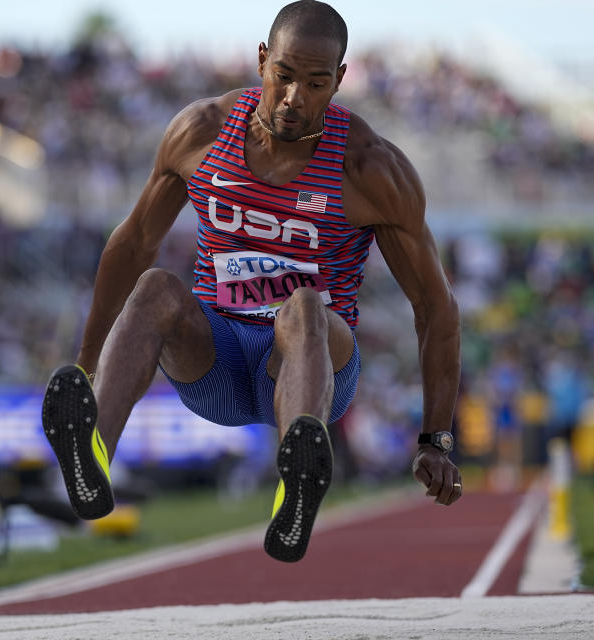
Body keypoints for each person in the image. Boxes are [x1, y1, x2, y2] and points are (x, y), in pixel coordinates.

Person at [43, 0, 462, 562]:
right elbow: (134, 241)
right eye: (284, 77)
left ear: (338, 80)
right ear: (262, 61)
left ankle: (296, 483)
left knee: (303, 306)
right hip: (215, 357)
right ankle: (94, 450)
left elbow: (435, 306)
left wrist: (435, 438)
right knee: (155, 287)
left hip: (307, 367)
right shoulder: (201, 131)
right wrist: (87, 360)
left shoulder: (370, 169)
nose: (294, 98)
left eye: (315, 83)